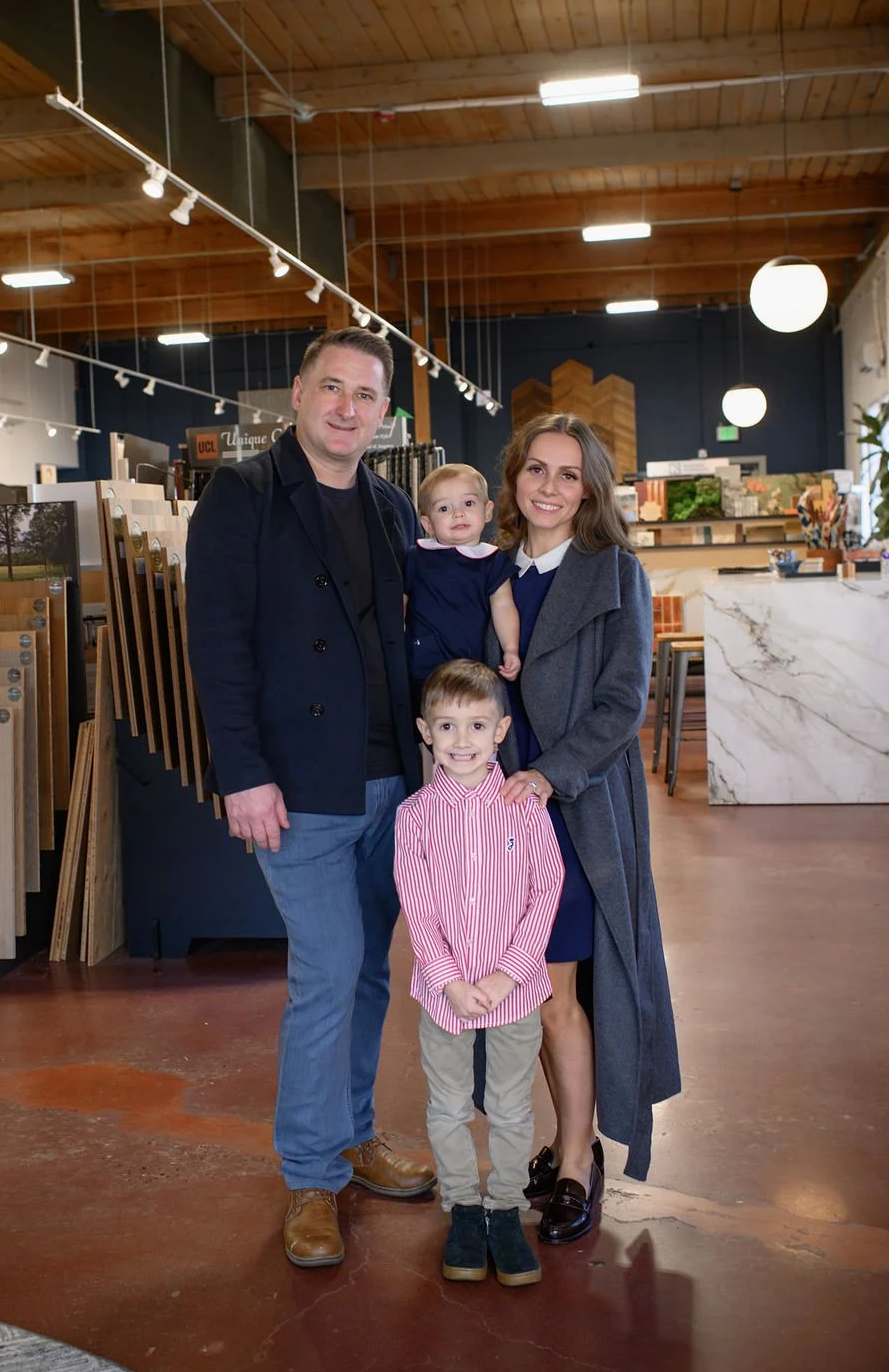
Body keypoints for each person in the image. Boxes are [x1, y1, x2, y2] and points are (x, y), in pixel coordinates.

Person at [185, 328, 435, 1270]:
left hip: (389, 783)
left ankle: (356, 1134)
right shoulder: (243, 496)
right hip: (297, 788)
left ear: (383, 413)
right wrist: (241, 771)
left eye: (365, 395)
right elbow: (218, 646)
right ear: (297, 393)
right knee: (328, 971)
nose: (345, 407)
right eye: (330, 388)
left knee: (370, 969)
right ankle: (307, 1176)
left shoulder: (389, 504)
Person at [489, 412, 680, 1244]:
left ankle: (576, 1157)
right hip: (492, 814)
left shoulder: (613, 573)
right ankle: (565, 1140)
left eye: (569, 475)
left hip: (572, 806)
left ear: (592, 490)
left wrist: (547, 772)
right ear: (515, 476)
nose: (550, 487)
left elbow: (621, 704)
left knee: (561, 995)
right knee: (528, 993)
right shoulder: (490, 569)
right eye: (537, 469)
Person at [394, 659, 564, 1287]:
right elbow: (416, 901)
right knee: (448, 1105)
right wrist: (447, 978)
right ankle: (464, 1207)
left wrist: (508, 975)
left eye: (475, 725)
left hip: (513, 991)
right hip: (445, 996)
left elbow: (545, 889)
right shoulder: (414, 816)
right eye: (446, 726)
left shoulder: (524, 807)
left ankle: (504, 1210)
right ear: (425, 731)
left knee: (512, 1107)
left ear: (500, 730)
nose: (461, 740)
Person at [403, 464, 522, 705]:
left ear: (487, 511)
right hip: (420, 662)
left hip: (471, 667)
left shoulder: (492, 560)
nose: (458, 514)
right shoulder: (416, 557)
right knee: (424, 725)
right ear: (427, 524)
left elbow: (504, 606)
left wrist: (510, 649)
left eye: (468, 504)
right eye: (444, 508)